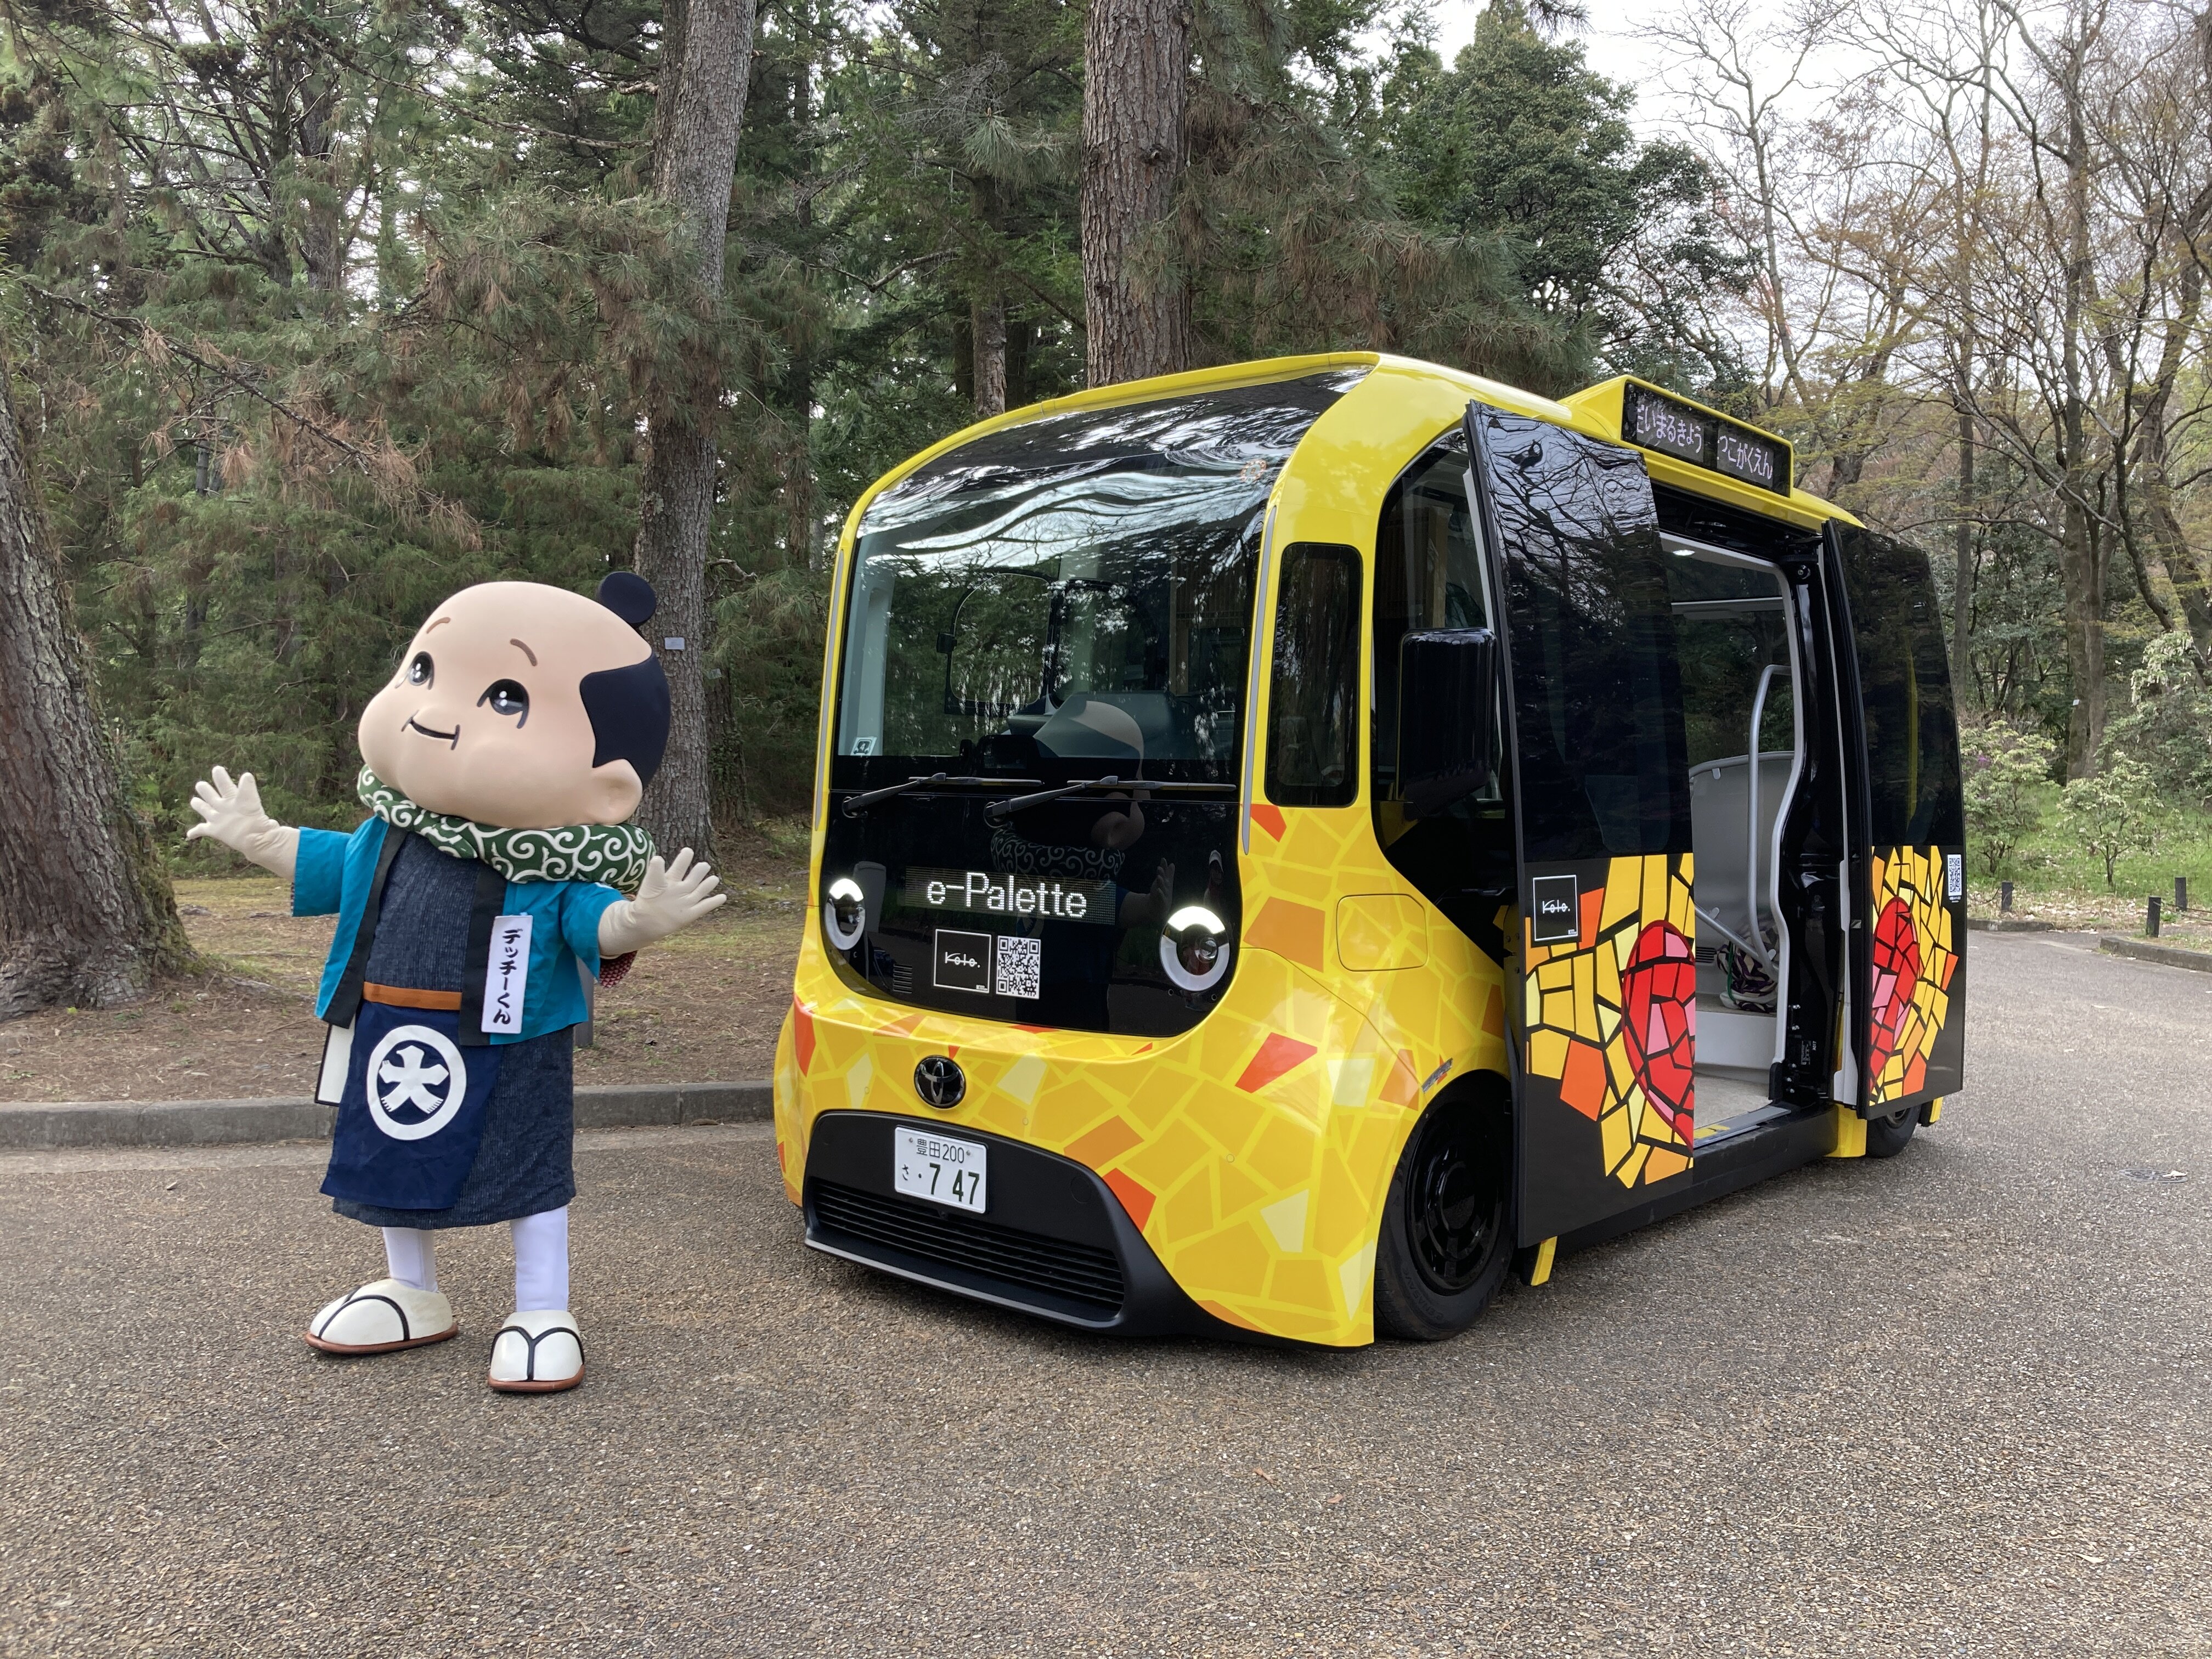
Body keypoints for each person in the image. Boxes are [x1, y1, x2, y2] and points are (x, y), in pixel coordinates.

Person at [185, 573, 724, 1393]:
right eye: (424, 671)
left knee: (529, 1167)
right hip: (391, 1030)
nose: (433, 711)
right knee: (390, 1159)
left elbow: (595, 926)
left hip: (513, 1044)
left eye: (508, 697)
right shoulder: (389, 835)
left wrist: (642, 921)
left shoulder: (552, 864)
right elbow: (321, 862)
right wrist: (257, 837)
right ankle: (412, 1290)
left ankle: (542, 1307)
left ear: (608, 788)